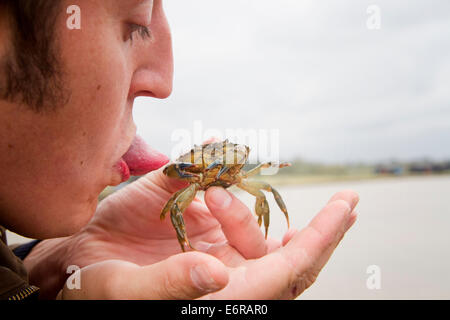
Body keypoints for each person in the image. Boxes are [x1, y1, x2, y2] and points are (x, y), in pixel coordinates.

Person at [0, 0, 359, 300]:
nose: (165, 83)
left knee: (265, 193)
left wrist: (54, 264)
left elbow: (265, 186)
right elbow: (175, 206)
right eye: (136, 24)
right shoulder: (183, 188)